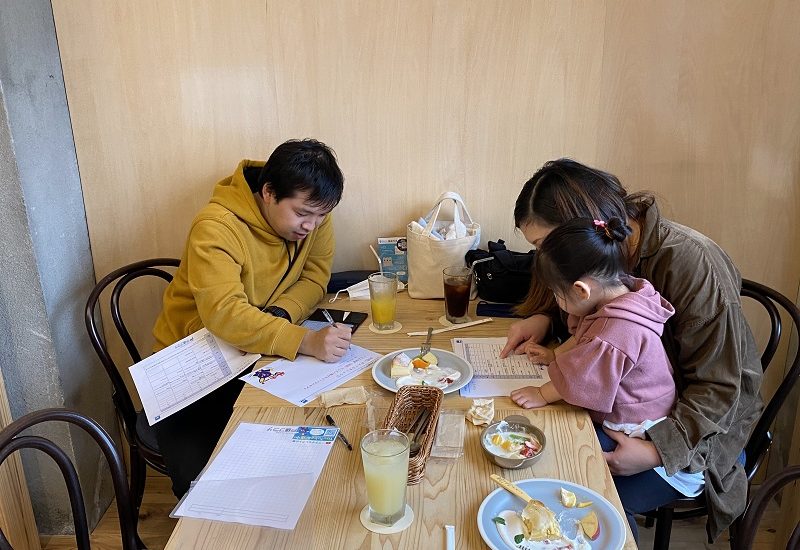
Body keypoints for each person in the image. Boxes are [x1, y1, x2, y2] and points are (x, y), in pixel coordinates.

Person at [500, 159, 762, 543]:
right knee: (537, 454)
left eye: (544, 246)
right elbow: (594, 310)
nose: (544, 258)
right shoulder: (606, 259)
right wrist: (544, 319)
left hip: (694, 439)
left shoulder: (691, 263)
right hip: (628, 414)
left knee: (571, 497)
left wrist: (654, 452)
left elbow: (722, 390)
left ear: (586, 231)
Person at [152, 138, 352, 497]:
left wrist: (278, 315)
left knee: (300, 442)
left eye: (320, 216)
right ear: (269, 192)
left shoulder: (315, 211)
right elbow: (225, 314)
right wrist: (304, 340)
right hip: (192, 364)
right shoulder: (216, 227)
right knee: (206, 487)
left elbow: (315, 278)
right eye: (302, 214)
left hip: (254, 350)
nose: (311, 225)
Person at [510, 216, 705, 536]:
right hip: (639, 423)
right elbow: (586, 345)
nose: (557, 302)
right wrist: (555, 356)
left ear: (581, 290)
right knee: (561, 451)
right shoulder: (622, 294)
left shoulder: (617, 330)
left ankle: (619, 539)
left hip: (651, 446)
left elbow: (580, 383)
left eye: (557, 294)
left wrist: (542, 393)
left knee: (584, 486)